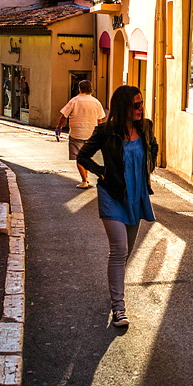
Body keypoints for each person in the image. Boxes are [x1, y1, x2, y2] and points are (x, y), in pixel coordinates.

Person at [77, 85, 158, 327]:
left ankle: (115, 287)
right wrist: (102, 172)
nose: (141, 108)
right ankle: (118, 308)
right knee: (119, 249)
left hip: (136, 195)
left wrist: (149, 165)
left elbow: (153, 147)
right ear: (123, 107)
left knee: (126, 252)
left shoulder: (145, 127)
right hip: (112, 195)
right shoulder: (106, 131)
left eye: (141, 103)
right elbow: (83, 156)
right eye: (136, 105)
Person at [56, 80, 105, 189]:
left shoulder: (74, 101)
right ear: (91, 89)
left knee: (79, 157)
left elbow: (64, 116)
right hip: (91, 133)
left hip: (76, 133)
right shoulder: (96, 102)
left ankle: (84, 180)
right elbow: (100, 120)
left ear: (79, 88)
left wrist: (59, 126)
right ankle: (93, 175)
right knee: (86, 156)